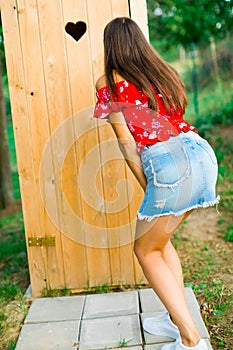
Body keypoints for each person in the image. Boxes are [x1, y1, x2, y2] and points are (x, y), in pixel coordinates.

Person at [93, 17, 219, 350]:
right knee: (161, 243)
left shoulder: (108, 81)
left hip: (167, 160)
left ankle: (191, 340)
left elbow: (126, 142)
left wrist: (148, 183)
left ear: (111, 47)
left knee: (144, 249)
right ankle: (174, 318)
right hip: (202, 153)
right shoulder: (164, 72)